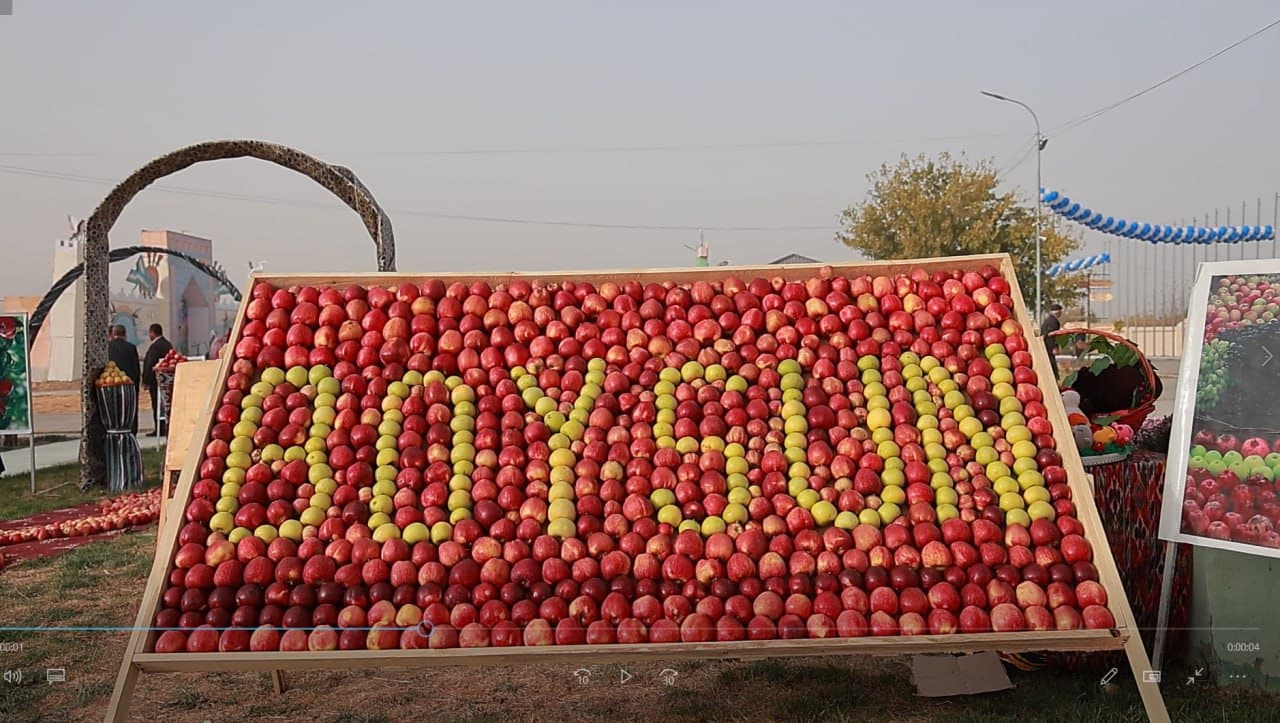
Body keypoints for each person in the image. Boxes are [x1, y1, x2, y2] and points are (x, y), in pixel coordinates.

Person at [107, 324, 142, 434]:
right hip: (129, 385)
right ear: (125, 334)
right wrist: (136, 385)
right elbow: (136, 368)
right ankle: (132, 431)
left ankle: (115, 430)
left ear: (113, 334)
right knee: (130, 409)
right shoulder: (131, 348)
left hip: (111, 384)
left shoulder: (108, 347)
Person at [141, 323, 174, 437]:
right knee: (167, 404)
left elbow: (150, 364)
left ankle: (159, 428)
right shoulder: (167, 344)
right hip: (168, 381)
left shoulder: (155, 346)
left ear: (152, 333)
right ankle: (166, 426)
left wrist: (145, 380)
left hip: (156, 381)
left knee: (157, 404)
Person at [1040, 303, 1064, 380]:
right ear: (1058, 312)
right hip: (1049, 346)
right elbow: (1054, 335)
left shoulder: (1047, 320)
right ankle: (1055, 379)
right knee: (1052, 364)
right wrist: (1055, 347)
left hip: (1045, 345)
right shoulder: (1054, 322)